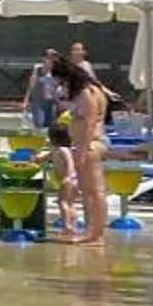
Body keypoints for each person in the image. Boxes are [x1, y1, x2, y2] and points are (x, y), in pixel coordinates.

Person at [51, 58, 116, 244]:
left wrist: (82, 148)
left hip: (89, 144)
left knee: (94, 192)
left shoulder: (86, 93)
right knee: (91, 192)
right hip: (88, 144)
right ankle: (93, 231)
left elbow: (89, 122)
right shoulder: (95, 90)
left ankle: (95, 234)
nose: (62, 86)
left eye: (62, 81)